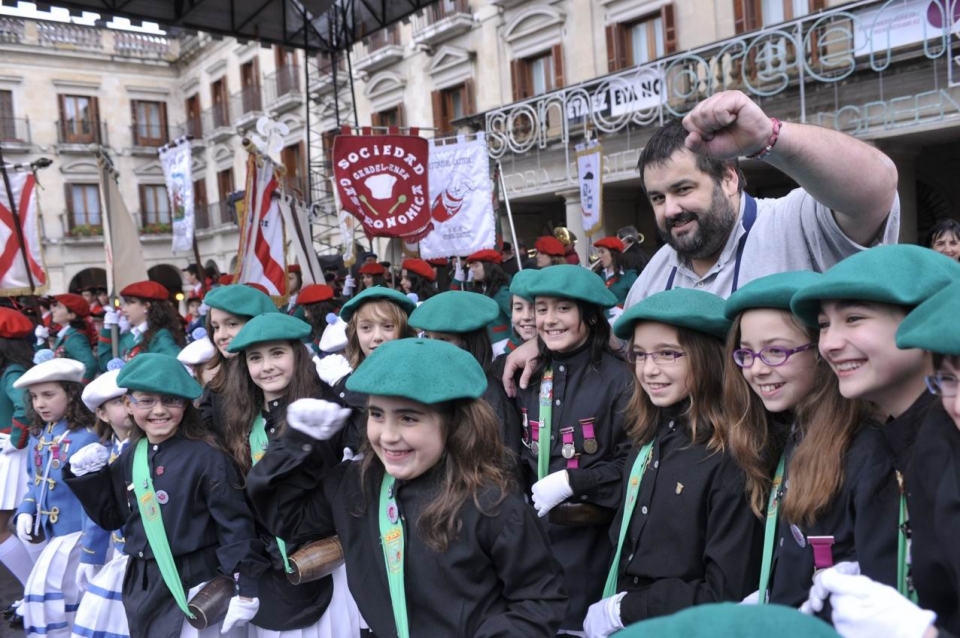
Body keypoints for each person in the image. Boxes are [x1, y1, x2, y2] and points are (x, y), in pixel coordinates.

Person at [504, 90, 901, 396]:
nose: (670, 209)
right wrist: (546, 345)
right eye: (657, 198)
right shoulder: (657, 273)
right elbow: (616, 346)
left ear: (729, 178)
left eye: (683, 189)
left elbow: (877, 185)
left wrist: (769, 137)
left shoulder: (792, 219)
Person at [247, 338, 570, 636]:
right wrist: (294, 445)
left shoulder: (493, 504)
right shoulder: (356, 484)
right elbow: (289, 520)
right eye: (376, 414)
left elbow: (539, 601)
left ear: (454, 423)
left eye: (408, 418)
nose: (387, 435)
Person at [790, 244, 960, 608]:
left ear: (926, 321)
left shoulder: (946, 443)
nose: (829, 344)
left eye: (854, 318)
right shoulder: (902, 435)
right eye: (823, 325)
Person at [584, 289, 760, 637]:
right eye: (640, 355)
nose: (649, 370)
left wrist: (627, 609)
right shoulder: (647, 438)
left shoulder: (729, 459)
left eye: (668, 354)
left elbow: (725, 592)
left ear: (707, 357)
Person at [722, 272, 898, 607]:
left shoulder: (867, 453)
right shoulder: (796, 432)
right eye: (746, 353)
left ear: (820, 351)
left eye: (775, 351)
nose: (756, 369)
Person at [63, 354, 269, 638]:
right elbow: (112, 518)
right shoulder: (131, 455)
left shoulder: (207, 457)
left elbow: (234, 525)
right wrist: (88, 477)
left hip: (196, 585)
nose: (159, 410)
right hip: (143, 586)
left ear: (185, 404)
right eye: (146, 400)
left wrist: (246, 588)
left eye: (171, 400)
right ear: (128, 405)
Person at [221, 313, 361, 636]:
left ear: (297, 355)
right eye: (255, 358)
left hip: (326, 566)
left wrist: (346, 388)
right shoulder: (242, 421)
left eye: (277, 353)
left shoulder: (323, 409)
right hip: (272, 578)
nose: (266, 366)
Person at [515, 264, 633, 633]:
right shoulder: (527, 375)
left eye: (563, 308)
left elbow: (634, 464)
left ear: (590, 316)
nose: (549, 320)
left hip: (593, 553)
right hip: (531, 553)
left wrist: (576, 481)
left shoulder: (621, 379)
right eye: (542, 308)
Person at [12, 356, 111, 637]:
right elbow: (35, 481)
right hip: (54, 537)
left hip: (79, 538)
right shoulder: (41, 434)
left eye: (48, 395)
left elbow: (97, 500)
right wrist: (27, 509)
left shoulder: (88, 438)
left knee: (68, 604)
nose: (39, 404)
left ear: (70, 393)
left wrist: (92, 549)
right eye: (33, 397)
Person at [409, 291, 523, 463]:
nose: (431, 346)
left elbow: (504, 468)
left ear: (470, 343)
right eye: (427, 337)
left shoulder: (491, 396)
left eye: (443, 339)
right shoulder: (425, 386)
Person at [315, 287, 416, 457]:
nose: (377, 336)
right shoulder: (347, 373)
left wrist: (345, 386)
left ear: (403, 331)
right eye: (366, 328)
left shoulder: (416, 373)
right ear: (356, 334)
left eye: (388, 326)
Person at [71, 363, 133, 638]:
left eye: (133, 398)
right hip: (118, 555)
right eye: (120, 402)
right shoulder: (103, 453)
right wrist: (91, 552)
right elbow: (97, 511)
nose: (130, 406)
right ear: (101, 413)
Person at [198, 285, 280, 438]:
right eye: (215, 327)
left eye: (232, 324)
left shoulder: (282, 376)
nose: (221, 335)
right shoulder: (216, 387)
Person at [0, 309, 37, 599]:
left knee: (10, 525)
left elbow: (25, 408)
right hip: (7, 451)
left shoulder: (12, 370)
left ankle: (34, 590)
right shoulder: (8, 368)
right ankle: (34, 590)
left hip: (11, 453)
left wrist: (15, 438)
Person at [97, 281, 184, 370]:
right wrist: (108, 330)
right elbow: (106, 365)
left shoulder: (159, 336)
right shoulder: (129, 336)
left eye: (129, 303)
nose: (123, 309)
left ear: (146, 306)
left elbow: (176, 366)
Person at [455, 249, 513, 355]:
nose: (472, 270)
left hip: (502, 345)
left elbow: (517, 321)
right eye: (471, 266)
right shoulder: (483, 289)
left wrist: (509, 348)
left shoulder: (501, 292)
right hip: (488, 346)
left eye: (476, 266)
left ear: (489, 267)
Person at [49, 294, 97, 384]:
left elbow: (90, 365)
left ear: (71, 315)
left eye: (59, 307)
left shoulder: (74, 338)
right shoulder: (67, 335)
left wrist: (81, 386)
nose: (53, 310)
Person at [593, 237, 638, 309]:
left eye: (602, 252)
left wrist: (620, 307)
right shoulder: (597, 275)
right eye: (598, 252)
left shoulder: (629, 276)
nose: (599, 256)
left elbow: (637, 298)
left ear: (613, 254)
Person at [297, 284, 338, 356]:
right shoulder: (323, 319)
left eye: (307, 310)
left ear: (318, 309)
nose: (306, 314)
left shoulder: (338, 320)